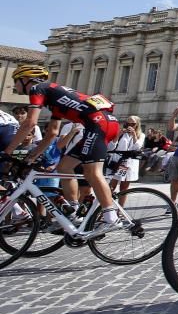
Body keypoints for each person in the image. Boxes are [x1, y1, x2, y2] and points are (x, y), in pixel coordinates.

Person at [3, 65, 121, 232]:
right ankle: (72, 211)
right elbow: (52, 133)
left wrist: (7, 152)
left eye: (16, 81)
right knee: (64, 166)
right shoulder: (53, 97)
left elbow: (30, 123)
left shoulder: (37, 88)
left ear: (25, 79)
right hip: (100, 123)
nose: (15, 86)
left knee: (92, 171)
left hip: (98, 124)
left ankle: (111, 217)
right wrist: (34, 155)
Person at [107, 116, 144, 195]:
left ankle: (120, 206)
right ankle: (106, 205)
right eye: (127, 124)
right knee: (112, 185)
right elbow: (110, 147)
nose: (129, 126)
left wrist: (134, 135)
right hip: (118, 161)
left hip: (130, 162)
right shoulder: (120, 133)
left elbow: (137, 148)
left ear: (137, 124)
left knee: (124, 188)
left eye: (132, 124)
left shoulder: (141, 135)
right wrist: (118, 135)